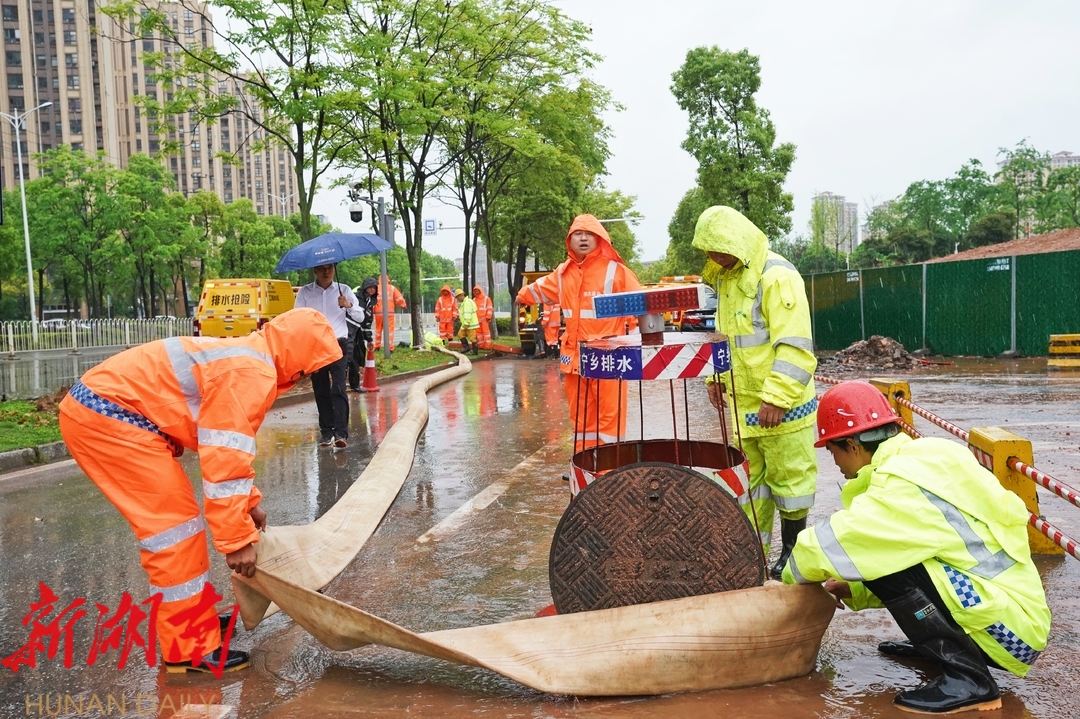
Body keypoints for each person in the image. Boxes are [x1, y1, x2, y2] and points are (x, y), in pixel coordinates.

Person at [58, 308, 343, 673]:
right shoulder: (251, 373)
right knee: (173, 531)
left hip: (107, 410)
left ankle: (195, 621)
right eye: (314, 367)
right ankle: (187, 647)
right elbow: (224, 460)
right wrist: (237, 540)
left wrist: (249, 504)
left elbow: (225, 451)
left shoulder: (250, 358)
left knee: (179, 527)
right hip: (109, 418)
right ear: (300, 358)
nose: (311, 376)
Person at [784, 381, 1050, 714]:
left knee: (874, 552)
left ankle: (971, 681)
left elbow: (830, 544)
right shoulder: (928, 454)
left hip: (1011, 633)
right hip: (1013, 611)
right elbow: (936, 556)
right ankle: (943, 648)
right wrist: (856, 589)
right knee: (882, 553)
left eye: (831, 450)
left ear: (851, 445)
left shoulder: (901, 483)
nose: (833, 460)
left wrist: (785, 583)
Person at [691, 205, 818, 579]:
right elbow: (725, 337)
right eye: (708, 249)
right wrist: (715, 379)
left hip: (783, 410)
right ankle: (752, 556)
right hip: (743, 411)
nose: (713, 256)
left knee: (791, 484)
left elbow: (795, 345)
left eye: (718, 247)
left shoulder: (777, 276)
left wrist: (777, 397)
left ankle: (792, 552)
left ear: (737, 241)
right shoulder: (728, 279)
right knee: (749, 488)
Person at [517, 214, 641, 464]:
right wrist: (522, 295)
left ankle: (609, 470)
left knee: (610, 420)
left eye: (589, 234)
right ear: (569, 239)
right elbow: (535, 290)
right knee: (581, 420)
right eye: (578, 234)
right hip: (575, 361)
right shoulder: (563, 274)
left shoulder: (616, 272)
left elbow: (639, 308)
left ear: (600, 238)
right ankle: (586, 467)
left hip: (608, 360)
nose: (583, 239)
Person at [294, 263, 365, 449]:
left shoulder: (344, 290)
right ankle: (326, 433)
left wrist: (348, 305)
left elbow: (360, 317)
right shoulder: (305, 293)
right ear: (315, 270)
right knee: (321, 389)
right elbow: (297, 319)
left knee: (339, 387)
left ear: (334, 269)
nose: (326, 272)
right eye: (321, 268)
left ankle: (341, 433)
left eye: (330, 268)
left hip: (338, 344)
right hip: (315, 346)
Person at [348, 277, 379, 391]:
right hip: (349, 331)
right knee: (347, 358)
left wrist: (369, 339)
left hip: (358, 334)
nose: (372, 290)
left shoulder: (370, 302)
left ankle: (355, 385)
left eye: (374, 288)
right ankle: (341, 385)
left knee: (357, 358)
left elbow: (367, 323)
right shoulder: (355, 297)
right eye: (370, 287)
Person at [372, 277, 407, 352]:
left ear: (379, 280)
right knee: (389, 331)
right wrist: (403, 305)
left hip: (378, 313)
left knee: (378, 330)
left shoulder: (376, 288)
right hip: (389, 313)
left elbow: (372, 301)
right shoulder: (392, 288)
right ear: (388, 280)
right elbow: (399, 298)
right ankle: (390, 348)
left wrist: (372, 311)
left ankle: (377, 346)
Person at [455, 288, 480, 355]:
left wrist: (466, 323)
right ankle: (466, 348)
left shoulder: (466, 303)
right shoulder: (466, 302)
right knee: (460, 334)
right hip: (467, 324)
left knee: (472, 338)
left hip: (469, 324)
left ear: (461, 295)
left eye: (457, 297)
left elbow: (467, 314)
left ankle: (475, 351)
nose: (457, 299)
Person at [472, 284, 495, 350]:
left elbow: (489, 308)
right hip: (477, 320)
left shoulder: (486, 299)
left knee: (486, 333)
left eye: (477, 290)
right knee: (479, 334)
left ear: (480, 290)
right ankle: (481, 345)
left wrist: (488, 317)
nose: (476, 292)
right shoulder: (474, 300)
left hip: (484, 320)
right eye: (475, 291)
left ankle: (488, 346)